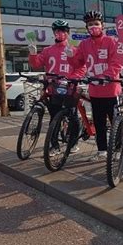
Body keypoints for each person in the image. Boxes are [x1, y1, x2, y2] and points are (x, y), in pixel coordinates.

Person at [66, 10, 122, 161]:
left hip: (111, 90)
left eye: (96, 24)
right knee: (99, 122)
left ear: (102, 25)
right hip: (95, 91)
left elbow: (116, 62)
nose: (93, 27)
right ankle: (102, 151)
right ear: (86, 27)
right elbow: (78, 63)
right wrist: (70, 57)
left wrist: (106, 76)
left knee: (115, 121)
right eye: (90, 24)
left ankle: (117, 149)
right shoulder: (84, 44)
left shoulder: (111, 41)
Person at [29, 20, 85, 154]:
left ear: (67, 33)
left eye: (63, 31)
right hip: (53, 87)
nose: (59, 33)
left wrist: (73, 78)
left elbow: (82, 67)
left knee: (72, 116)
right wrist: (32, 54)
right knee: (54, 118)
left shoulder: (74, 49)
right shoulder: (48, 50)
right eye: (57, 31)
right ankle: (54, 145)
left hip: (69, 87)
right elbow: (36, 64)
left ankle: (73, 143)